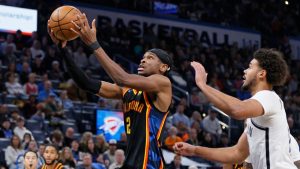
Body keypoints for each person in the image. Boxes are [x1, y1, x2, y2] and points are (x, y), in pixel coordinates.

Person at [48, 12, 173, 169]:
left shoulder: (163, 83)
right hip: (131, 163)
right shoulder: (128, 91)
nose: (143, 59)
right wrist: (63, 51)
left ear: (163, 67)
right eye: (143, 56)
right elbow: (86, 83)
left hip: (149, 164)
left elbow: (122, 78)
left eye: (150, 58)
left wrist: (94, 44)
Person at [174, 49, 296, 169]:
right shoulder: (255, 117)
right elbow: (236, 153)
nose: (245, 71)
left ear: (261, 74)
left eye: (250, 67)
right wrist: (195, 150)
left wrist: (203, 85)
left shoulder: (269, 96)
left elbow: (237, 110)